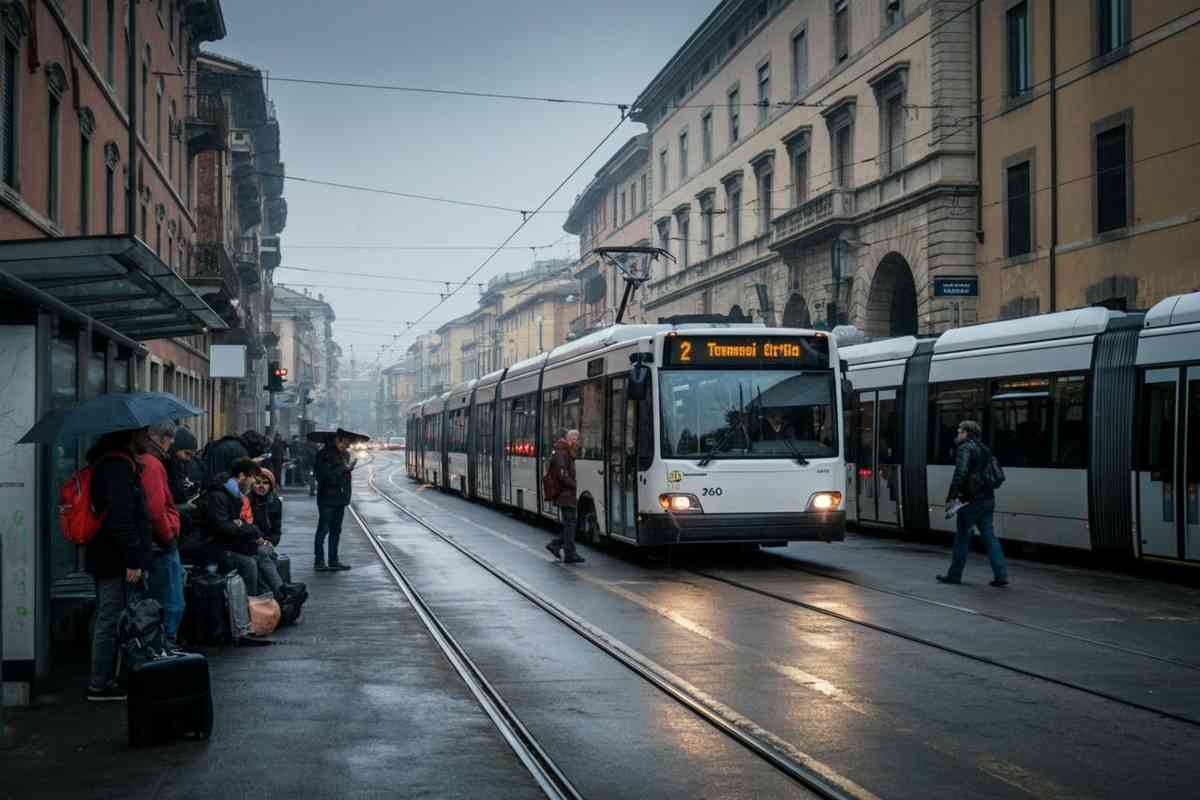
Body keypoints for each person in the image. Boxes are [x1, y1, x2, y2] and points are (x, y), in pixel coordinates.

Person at [85, 429, 152, 702]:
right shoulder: (116, 467)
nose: (146, 438)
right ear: (130, 435)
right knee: (110, 617)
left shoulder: (114, 463)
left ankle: (104, 677)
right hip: (114, 557)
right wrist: (133, 559)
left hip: (109, 554)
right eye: (143, 433)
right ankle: (100, 684)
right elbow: (121, 517)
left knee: (107, 615)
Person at [937, 420, 1009, 587]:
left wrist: (951, 497)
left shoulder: (964, 448)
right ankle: (1001, 574)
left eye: (959, 431)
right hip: (988, 499)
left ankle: (954, 575)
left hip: (970, 500)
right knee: (990, 537)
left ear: (966, 433)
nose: (957, 434)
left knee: (962, 537)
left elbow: (960, 473)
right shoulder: (985, 448)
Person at [203, 457, 287, 597]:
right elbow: (225, 527)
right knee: (251, 562)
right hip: (219, 547)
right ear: (242, 476)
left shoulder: (234, 494)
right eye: (253, 478)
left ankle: (274, 597)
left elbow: (238, 524)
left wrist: (250, 531)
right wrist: (250, 530)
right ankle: (257, 602)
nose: (255, 482)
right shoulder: (220, 495)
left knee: (264, 554)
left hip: (234, 543)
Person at [138, 421, 184, 647]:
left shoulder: (141, 462)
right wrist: (168, 536)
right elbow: (156, 510)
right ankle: (165, 648)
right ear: (157, 438)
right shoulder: (152, 465)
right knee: (171, 602)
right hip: (161, 544)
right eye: (169, 438)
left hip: (150, 543)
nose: (171, 444)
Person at [314, 431, 356, 571]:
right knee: (323, 529)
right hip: (327, 498)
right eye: (346, 443)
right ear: (338, 441)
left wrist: (347, 469)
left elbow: (342, 475)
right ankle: (319, 561)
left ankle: (333, 560)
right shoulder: (324, 455)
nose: (348, 446)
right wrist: (344, 469)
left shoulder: (343, 455)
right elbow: (324, 477)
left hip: (340, 498)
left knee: (336, 530)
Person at [545, 429, 584, 564]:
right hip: (565, 493)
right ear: (570, 439)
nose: (577, 442)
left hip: (566, 493)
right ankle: (569, 553)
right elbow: (562, 473)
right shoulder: (562, 452)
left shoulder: (565, 451)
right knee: (570, 524)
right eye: (576, 439)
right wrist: (573, 485)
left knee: (570, 523)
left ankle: (557, 546)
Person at [251, 467, 283, 546]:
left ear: (270, 486)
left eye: (265, 483)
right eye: (258, 482)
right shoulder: (245, 500)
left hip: (266, 542)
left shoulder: (275, 502)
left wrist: (271, 542)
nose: (261, 486)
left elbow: (276, 530)